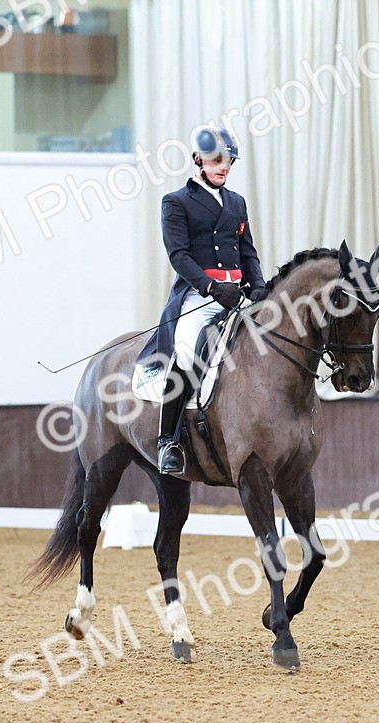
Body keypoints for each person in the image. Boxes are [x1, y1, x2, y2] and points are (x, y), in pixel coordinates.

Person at [136, 127, 269, 476]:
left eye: (229, 161)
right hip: (199, 297)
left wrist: (258, 285)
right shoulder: (176, 202)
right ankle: (169, 440)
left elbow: (247, 251)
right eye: (216, 160)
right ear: (199, 160)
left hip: (237, 296)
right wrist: (211, 288)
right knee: (186, 351)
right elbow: (179, 255)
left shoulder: (237, 202)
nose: (224, 166)